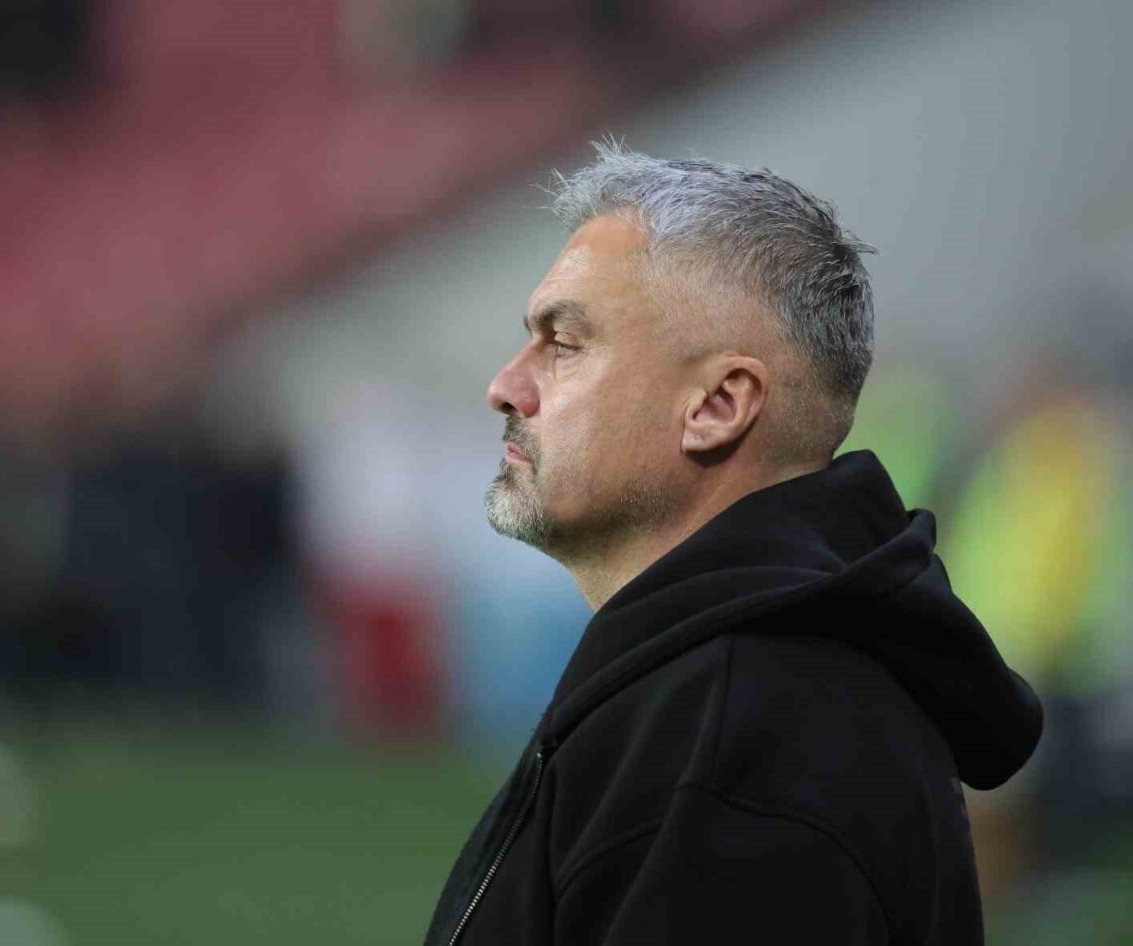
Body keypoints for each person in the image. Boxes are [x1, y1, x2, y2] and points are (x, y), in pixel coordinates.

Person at [424, 143, 1043, 945]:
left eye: (564, 343)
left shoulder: (741, 745)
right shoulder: (714, 693)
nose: (506, 386)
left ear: (718, 405)